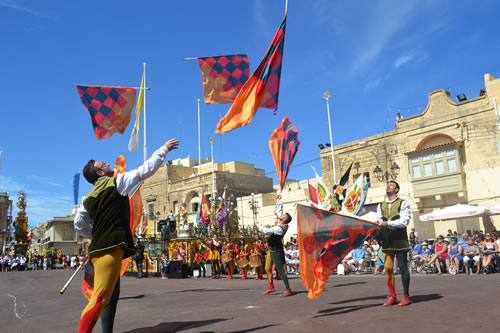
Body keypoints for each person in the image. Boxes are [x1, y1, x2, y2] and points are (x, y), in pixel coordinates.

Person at [74, 138, 179, 333]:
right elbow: (145, 170)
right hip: (109, 251)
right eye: (103, 164)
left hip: (97, 251)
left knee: (108, 295)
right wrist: (163, 149)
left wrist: (95, 234)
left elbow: (79, 225)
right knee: (100, 299)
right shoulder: (118, 182)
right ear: (100, 173)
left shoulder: (87, 199)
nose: (107, 164)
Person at [376, 180, 412, 306]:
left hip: (400, 240)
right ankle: (392, 296)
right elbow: (379, 220)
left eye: (391, 185)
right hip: (387, 240)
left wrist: (387, 223)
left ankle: (406, 296)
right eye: (387, 185)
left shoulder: (403, 203)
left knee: (403, 268)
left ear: (396, 189)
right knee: (387, 269)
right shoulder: (380, 205)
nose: (388, 186)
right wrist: (377, 228)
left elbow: (404, 221)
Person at [256, 213, 293, 297]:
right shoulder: (282, 224)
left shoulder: (279, 228)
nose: (281, 215)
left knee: (281, 271)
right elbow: (280, 212)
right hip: (271, 249)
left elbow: (265, 231)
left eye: (283, 215)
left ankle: (288, 289)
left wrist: (257, 224)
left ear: (284, 220)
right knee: (267, 268)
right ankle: (271, 287)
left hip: (276, 251)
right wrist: (279, 201)